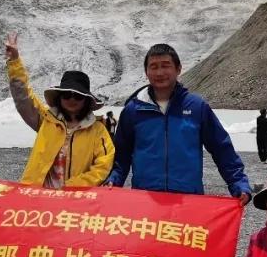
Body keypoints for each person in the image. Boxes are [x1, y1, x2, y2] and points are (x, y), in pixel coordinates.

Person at [5, 32, 115, 257]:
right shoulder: (44, 121)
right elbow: (22, 96)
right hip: (40, 206)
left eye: (77, 96)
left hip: (80, 209)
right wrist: (13, 61)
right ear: (60, 97)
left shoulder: (98, 131)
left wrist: (75, 188)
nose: (71, 100)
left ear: (85, 101)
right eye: (67, 94)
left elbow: (104, 165)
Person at [105, 43, 252, 202]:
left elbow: (221, 148)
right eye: (153, 67)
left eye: (165, 66)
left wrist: (238, 183)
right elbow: (121, 155)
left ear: (178, 69)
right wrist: (114, 180)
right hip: (146, 199)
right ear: (146, 72)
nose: (160, 72)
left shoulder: (196, 107)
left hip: (187, 200)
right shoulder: (133, 110)